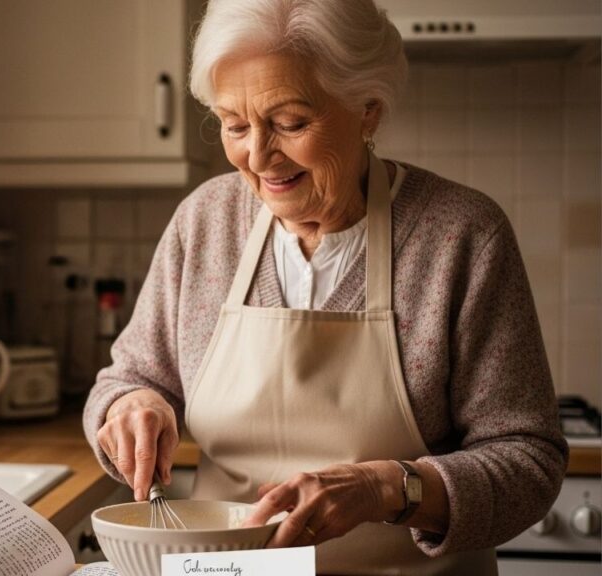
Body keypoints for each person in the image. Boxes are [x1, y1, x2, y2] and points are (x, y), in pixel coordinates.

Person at [82, 0, 568, 574]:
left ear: (368, 110)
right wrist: (130, 406)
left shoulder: (462, 234)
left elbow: (529, 461)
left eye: (289, 123)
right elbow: (130, 376)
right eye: (234, 125)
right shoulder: (205, 221)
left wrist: (389, 488)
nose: (258, 156)